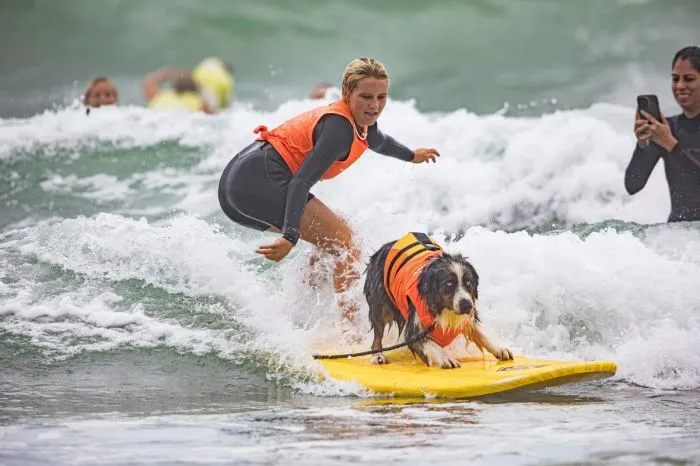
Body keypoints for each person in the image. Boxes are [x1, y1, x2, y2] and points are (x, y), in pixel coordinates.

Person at [218, 57, 440, 325]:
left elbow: (378, 141)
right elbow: (300, 183)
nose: (375, 105)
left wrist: (411, 155)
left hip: (239, 185)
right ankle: (350, 333)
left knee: (333, 240)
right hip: (255, 181)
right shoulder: (339, 129)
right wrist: (290, 236)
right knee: (347, 244)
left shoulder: (362, 122)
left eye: (381, 97)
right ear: (347, 93)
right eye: (366, 96)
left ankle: (297, 317)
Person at [626, 46, 700, 222]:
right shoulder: (669, 128)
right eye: (675, 79)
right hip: (676, 234)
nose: (680, 86)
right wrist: (643, 145)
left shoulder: (667, 136)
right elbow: (632, 185)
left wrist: (672, 146)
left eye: (689, 79)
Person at [142, 66, 215, 114]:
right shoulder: (197, 101)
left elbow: (148, 84)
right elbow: (212, 114)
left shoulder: (160, 96)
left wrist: (165, 73)